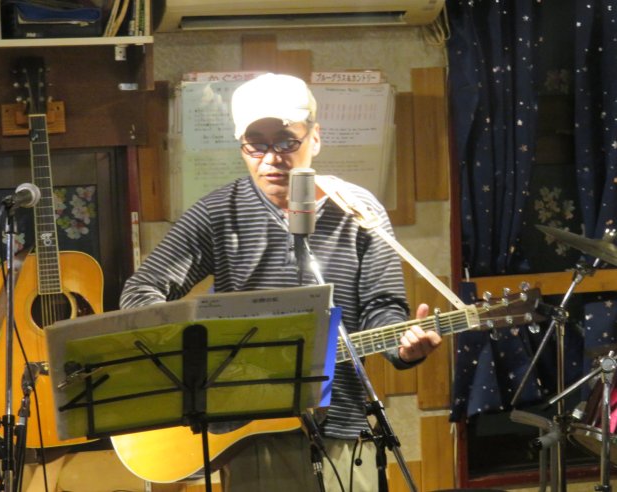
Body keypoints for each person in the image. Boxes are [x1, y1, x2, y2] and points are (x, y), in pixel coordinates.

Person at [119, 73, 442, 491]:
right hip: (254, 434)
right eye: (256, 144)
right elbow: (140, 292)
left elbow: (383, 307)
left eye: (286, 141)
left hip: (342, 429)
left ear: (315, 138)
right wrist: (201, 353)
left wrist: (403, 346)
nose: (271, 158)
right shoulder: (218, 213)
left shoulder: (360, 211)